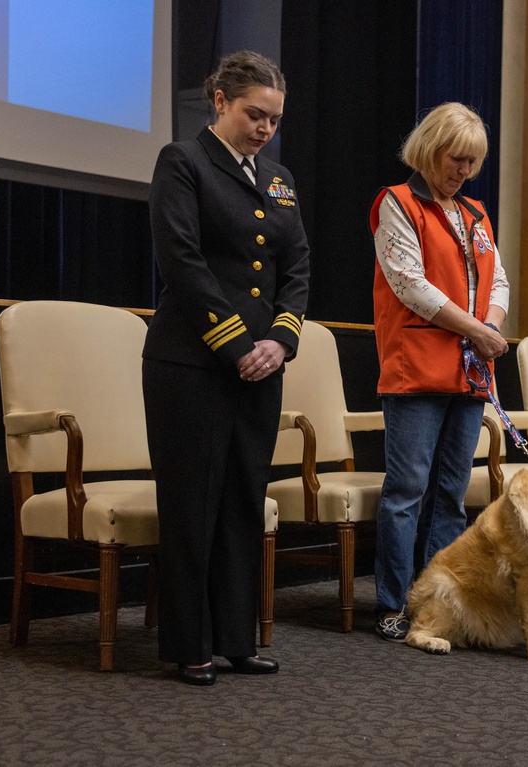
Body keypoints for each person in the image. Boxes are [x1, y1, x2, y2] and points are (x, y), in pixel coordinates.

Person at [143, 50, 309, 684]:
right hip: (191, 362)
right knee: (194, 504)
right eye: (254, 115)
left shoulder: (279, 178)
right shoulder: (183, 163)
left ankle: (236, 639)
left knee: (243, 499)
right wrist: (240, 343)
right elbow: (181, 261)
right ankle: (190, 645)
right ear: (219, 102)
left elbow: (297, 268)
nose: (265, 129)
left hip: (263, 366)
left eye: (274, 120)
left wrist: (282, 341)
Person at [369, 102, 511, 641]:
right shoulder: (396, 203)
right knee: (406, 491)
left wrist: (490, 326)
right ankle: (391, 602)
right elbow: (410, 285)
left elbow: (497, 281)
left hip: (468, 374)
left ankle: (436, 603)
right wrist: (476, 331)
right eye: (457, 159)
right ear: (430, 150)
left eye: (473, 162)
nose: (464, 172)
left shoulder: (475, 214)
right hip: (417, 370)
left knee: (450, 494)